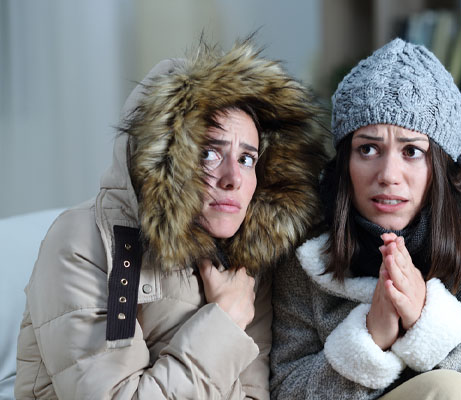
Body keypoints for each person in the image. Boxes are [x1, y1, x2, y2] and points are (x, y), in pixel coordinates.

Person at [15, 39, 329, 399]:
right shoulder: (85, 239)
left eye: (247, 159)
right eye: (210, 152)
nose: (233, 178)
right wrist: (224, 322)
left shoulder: (247, 263)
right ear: (166, 157)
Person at [270, 38, 461, 399]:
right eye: (368, 149)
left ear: (442, 166)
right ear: (346, 162)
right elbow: (284, 390)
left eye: (412, 151)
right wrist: (372, 338)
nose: (388, 174)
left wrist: (430, 320)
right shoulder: (306, 244)